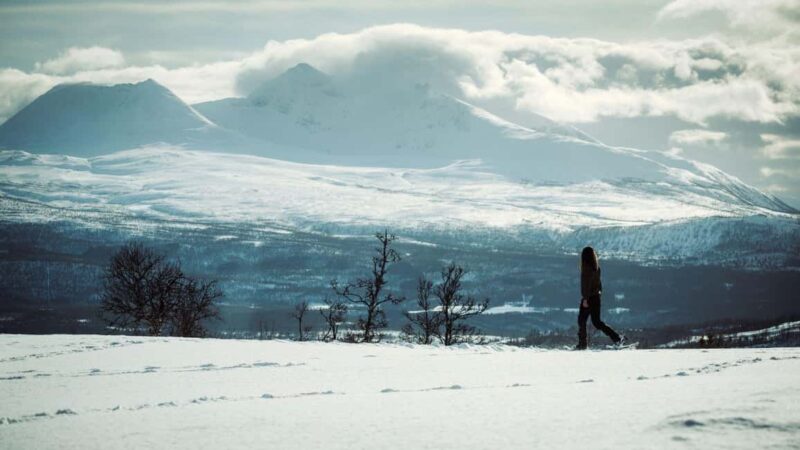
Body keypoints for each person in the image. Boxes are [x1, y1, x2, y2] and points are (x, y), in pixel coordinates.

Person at [576, 246, 624, 350]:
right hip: (596, 297)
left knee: (582, 321)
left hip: (589, 298)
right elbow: (599, 284)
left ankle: (582, 344)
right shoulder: (596, 267)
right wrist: (598, 294)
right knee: (597, 322)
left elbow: (586, 285)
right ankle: (617, 338)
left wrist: (585, 299)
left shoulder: (586, 268)